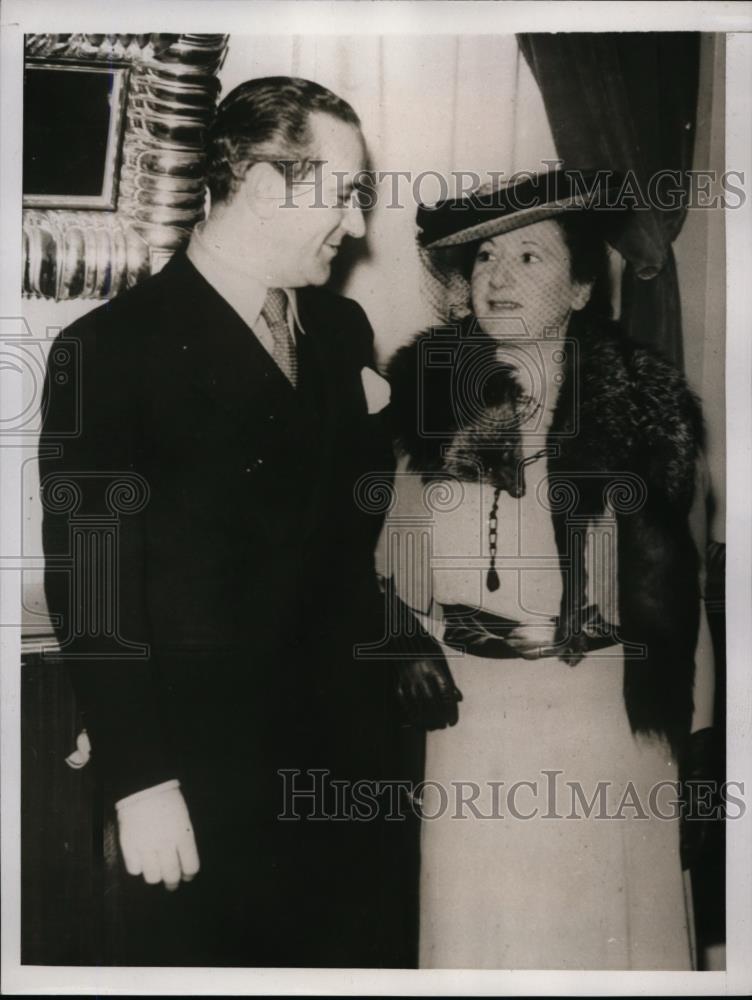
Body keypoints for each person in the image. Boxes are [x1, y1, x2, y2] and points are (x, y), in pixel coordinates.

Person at [39, 76, 412, 967]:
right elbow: (93, 582)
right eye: (344, 195)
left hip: (348, 763)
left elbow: (341, 545)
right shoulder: (106, 349)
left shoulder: (339, 328)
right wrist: (141, 774)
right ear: (265, 184)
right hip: (205, 780)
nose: (357, 227)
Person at [383, 169, 715, 969]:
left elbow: (680, 599)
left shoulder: (642, 414)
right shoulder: (429, 408)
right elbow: (389, 566)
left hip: (599, 724)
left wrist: (700, 748)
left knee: (597, 940)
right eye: (486, 259)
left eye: (529, 258)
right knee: (480, 939)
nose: (498, 278)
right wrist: (403, 639)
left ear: (577, 289)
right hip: (471, 722)